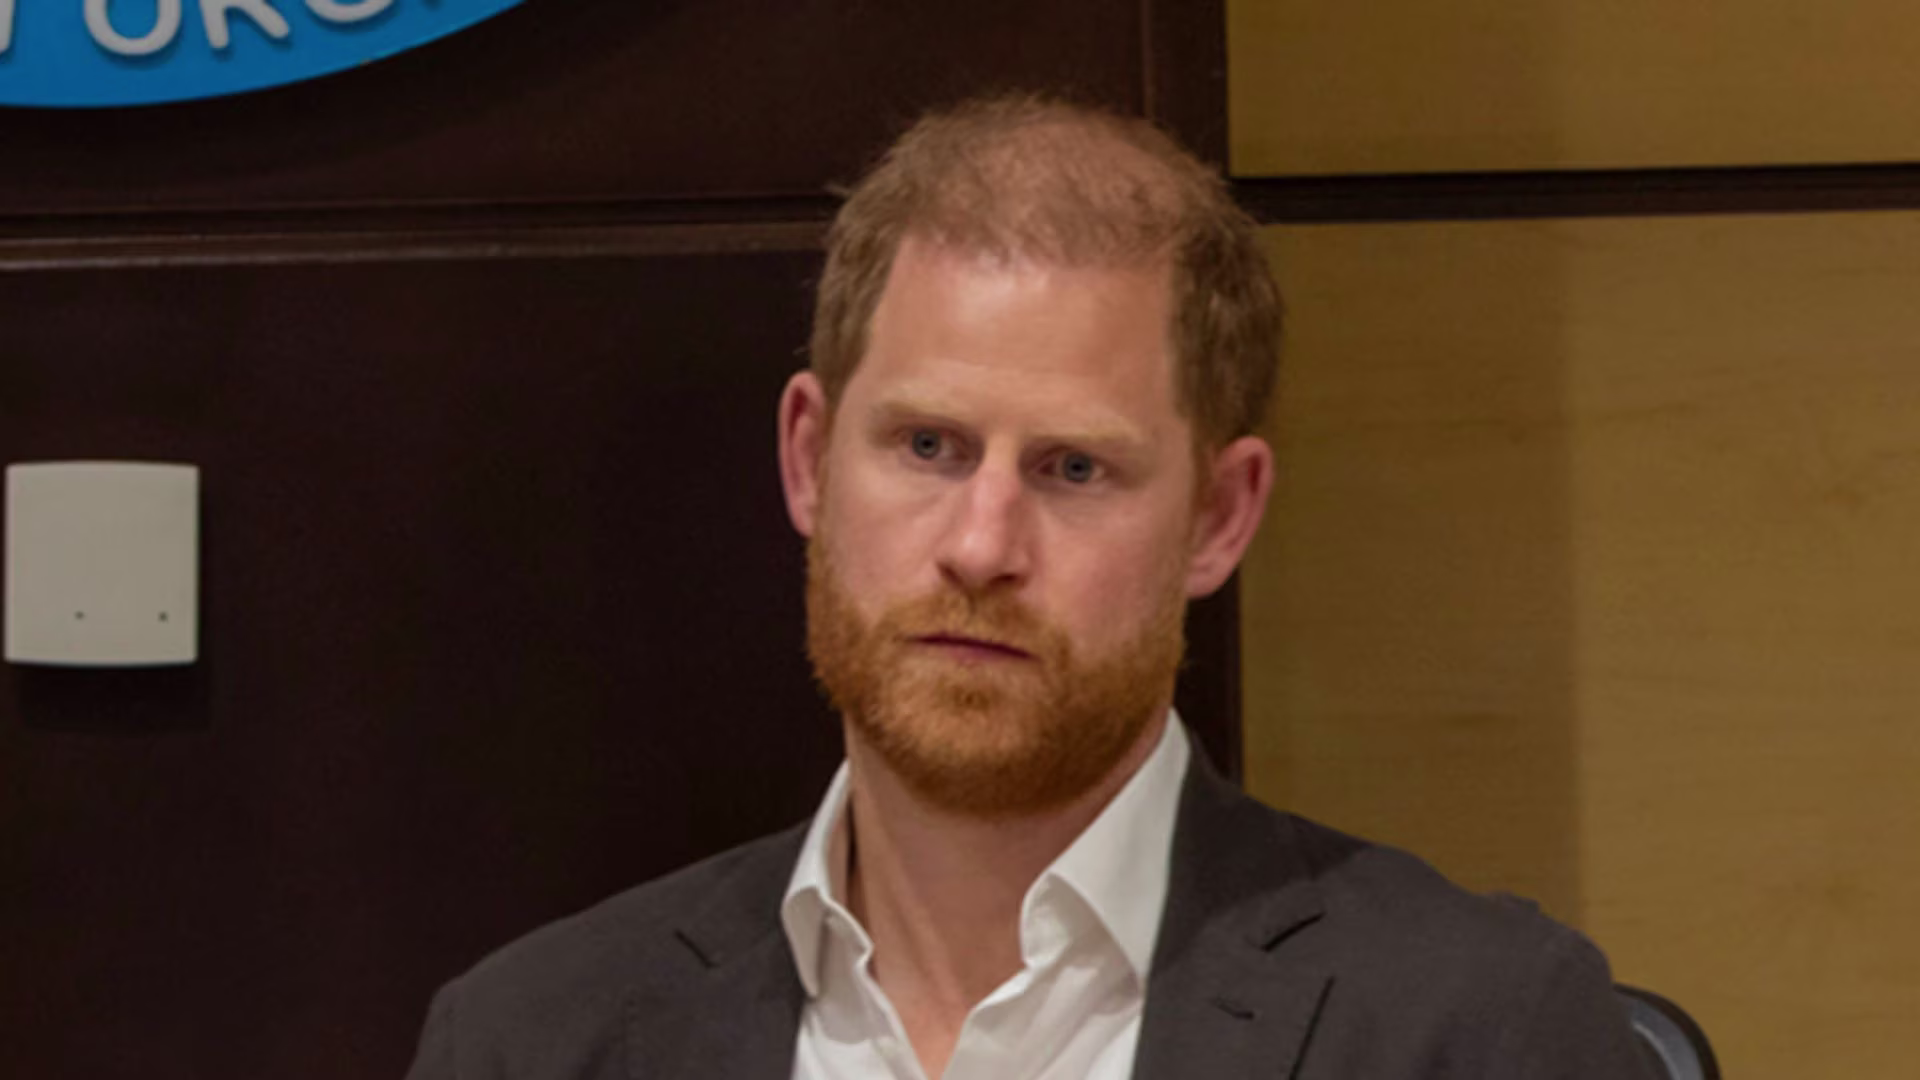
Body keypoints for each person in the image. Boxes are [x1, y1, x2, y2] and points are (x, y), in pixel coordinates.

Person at [405, 95, 1652, 1080]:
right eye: (928, 447)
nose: (982, 544)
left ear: (1219, 519)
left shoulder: (1480, 1031)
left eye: (1073, 467)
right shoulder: (533, 1041)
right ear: (807, 460)